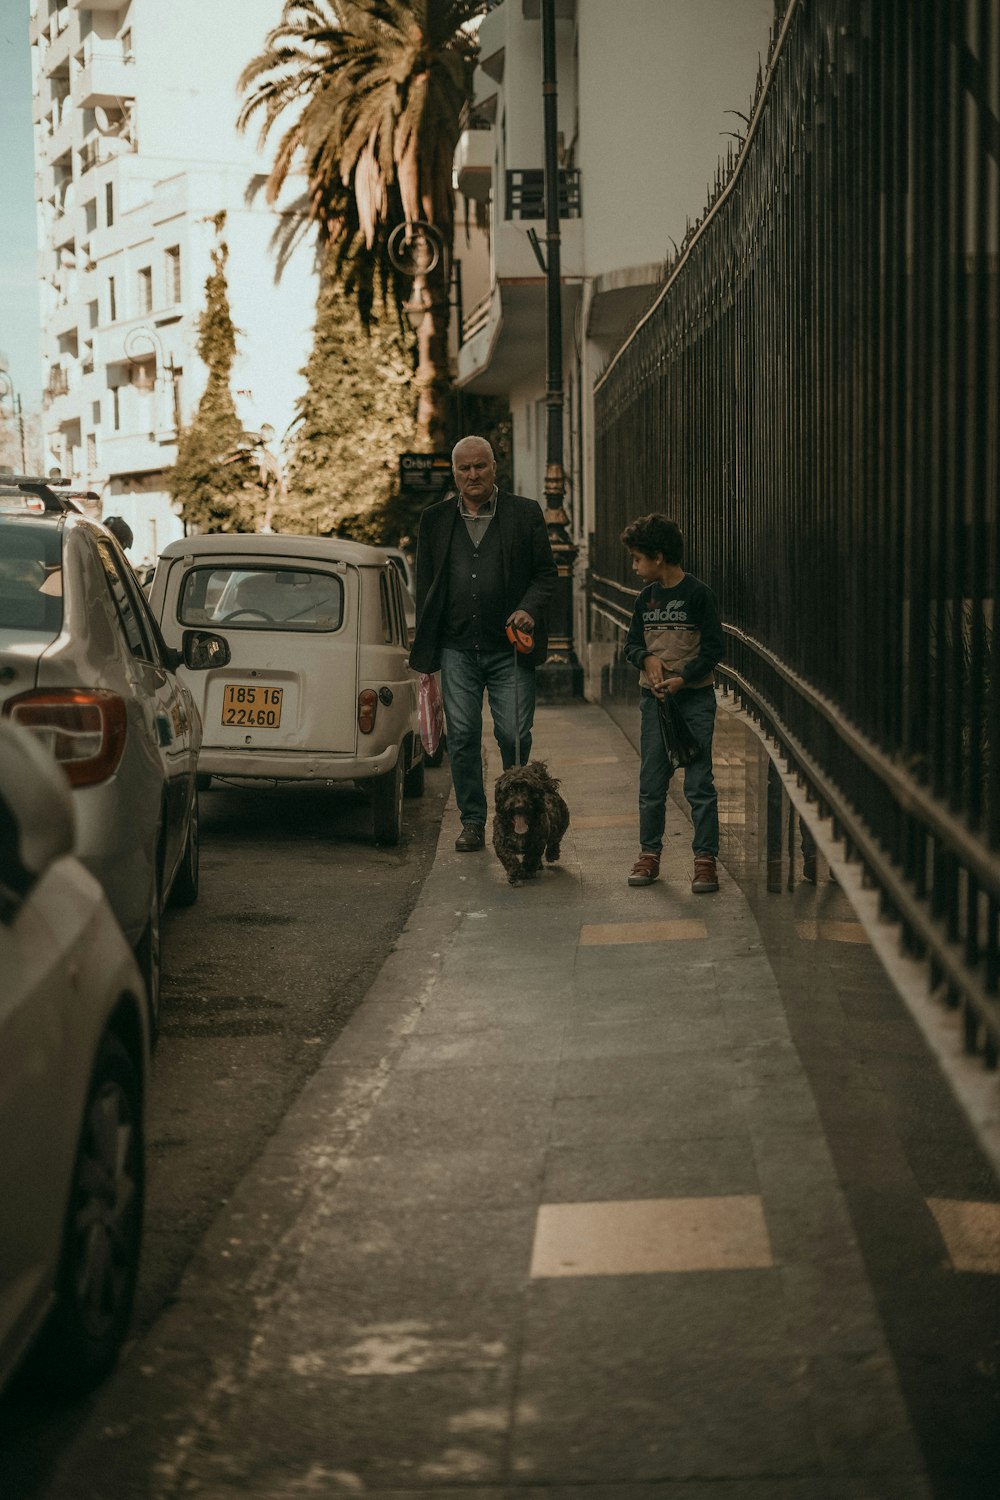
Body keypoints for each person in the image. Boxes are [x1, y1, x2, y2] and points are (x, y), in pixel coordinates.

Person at [410, 436, 557, 852]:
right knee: (462, 735)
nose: (472, 475)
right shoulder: (435, 520)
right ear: (454, 473)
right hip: (457, 649)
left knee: (513, 734)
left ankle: (521, 815)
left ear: (495, 467)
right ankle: (473, 821)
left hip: (510, 649)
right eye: (464, 469)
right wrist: (427, 645)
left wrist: (528, 608)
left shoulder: (524, 514)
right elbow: (427, 585)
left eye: (480, 466)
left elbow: (547, 574)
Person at [621, 513, 724, 892]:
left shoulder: (698, 595)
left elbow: (714, 647)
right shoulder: (645, 600)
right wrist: (645, 659)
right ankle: (649, 855)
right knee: (651, 782)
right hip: (655, 705)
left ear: (658, 556)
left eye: (637, 559)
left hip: (693, 701)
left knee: (698, 782)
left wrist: (684, 678)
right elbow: (632, 644)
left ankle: (704, 860)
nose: (634, 567)